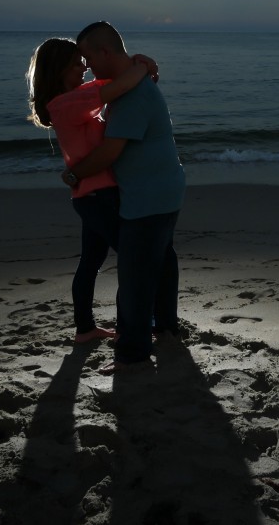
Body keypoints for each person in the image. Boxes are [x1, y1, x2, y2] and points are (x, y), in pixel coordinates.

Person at [63, 21, 185, 375]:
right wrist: (143, 65)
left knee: (134, 276)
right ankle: (164, 327)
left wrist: (74, 175)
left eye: (87, 57)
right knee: (160, 261)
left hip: (148, 196)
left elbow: (110, 152)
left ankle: (132, 354)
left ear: (104, 52)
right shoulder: (128, 85)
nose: (85, 66)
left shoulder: (131, 96)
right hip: (162, 188)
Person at [25, 37, 157, 343]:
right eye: (75, 64)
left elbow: (114, 79)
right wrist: (140, 66)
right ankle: (135, 327)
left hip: (91, 196)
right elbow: (118, 88)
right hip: (99, 198)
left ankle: (85, 328)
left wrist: (140, 64)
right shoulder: (66, 103)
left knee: (90, 263)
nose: (83, 67)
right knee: (134, 259)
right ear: (58, 70)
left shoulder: (74, 97)